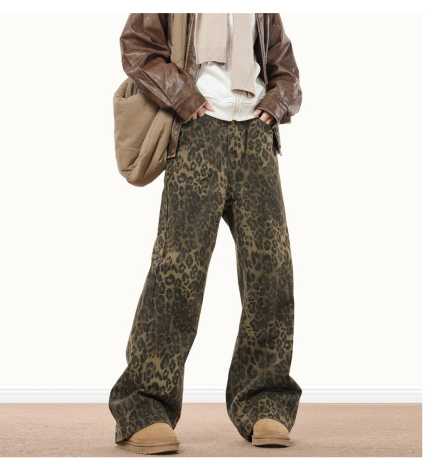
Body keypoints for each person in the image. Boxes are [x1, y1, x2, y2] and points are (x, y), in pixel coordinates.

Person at [108, 13, 303, 455]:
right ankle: (144, 407)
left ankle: (265, 401)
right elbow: (137, 46)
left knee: (272, 273)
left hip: (256, 138)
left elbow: (284, 66)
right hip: (196, 132)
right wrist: (184, 96)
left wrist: (276, 103)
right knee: (177, 272)